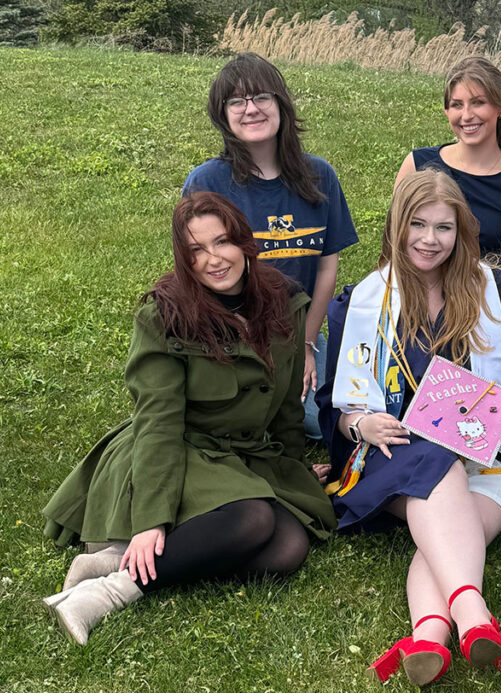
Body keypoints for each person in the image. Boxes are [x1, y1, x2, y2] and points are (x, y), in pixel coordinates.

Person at [317, 169, 501, 687]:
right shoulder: (362, 302)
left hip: (488, 447)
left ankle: (430, 634)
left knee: (458, 526)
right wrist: (362, 423)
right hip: (397, 451)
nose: (429, 241)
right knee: (433, 461)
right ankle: (473, 613)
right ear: (396, 227)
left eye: (444, 228)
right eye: (417, 225)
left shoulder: (496, 292)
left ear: (462, 233)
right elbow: (336, 406)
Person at [41, 192, 337, 645]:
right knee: (254, 519)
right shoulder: (165, 314)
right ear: (183, 258)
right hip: (181, 447)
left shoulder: (283, 301)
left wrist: (292, 469)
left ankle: (113, 558)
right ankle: (108, 591)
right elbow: (158, 422)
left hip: (244, 457)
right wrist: (151, 519)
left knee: (287, 550)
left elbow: (285, 408)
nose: (214, 259)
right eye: (196, 250)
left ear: (244, 242)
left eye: (222, 242)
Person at [183, 52, 358, 447]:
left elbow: (327, 270)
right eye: (236, 101)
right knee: (254, 417)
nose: (251, 109)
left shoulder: (319, 176)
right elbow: (194, 271)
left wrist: (306, 347)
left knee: (326, 417)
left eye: (261, 96)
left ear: (280, 104)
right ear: (222, 115)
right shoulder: (207, 182)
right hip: (229, 333)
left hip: (296, 330)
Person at [395, 56, 501, 291]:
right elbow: (395, 244)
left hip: (485, 311)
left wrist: (497, 311)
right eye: (457, 104)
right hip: (416, 301)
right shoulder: (416, 164)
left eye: (478, 102)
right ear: (446, 110)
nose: (466, 115)